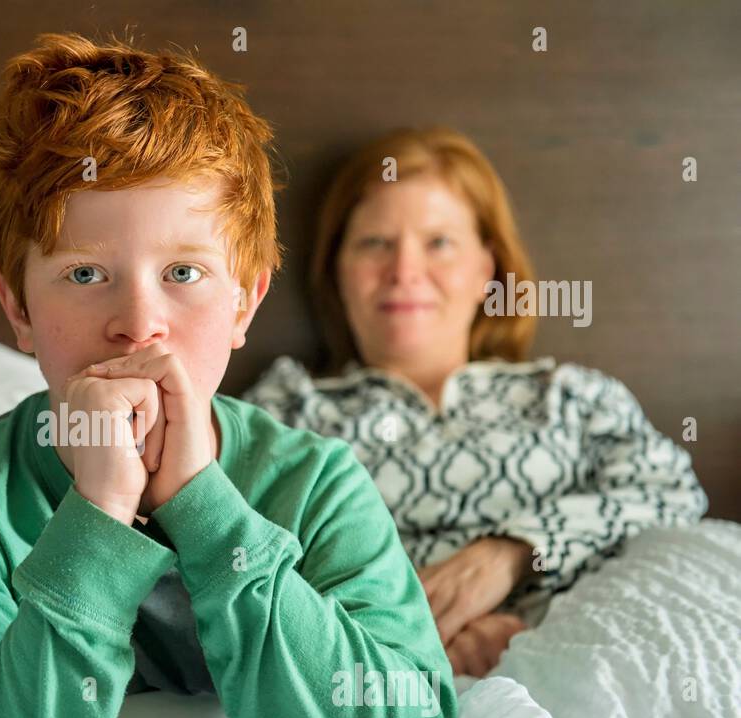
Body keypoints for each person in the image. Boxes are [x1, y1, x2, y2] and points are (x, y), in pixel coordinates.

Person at [0, 33, 457, 718]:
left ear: (244, 303)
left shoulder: (318, 484)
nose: (139, 324)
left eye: (184, 273)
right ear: (18, 308)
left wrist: (199, 500)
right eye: (85, 274)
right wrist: (97, 517)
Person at [245, 127, 708, 677]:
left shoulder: (572, 398)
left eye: (439, 243)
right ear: (336, 271)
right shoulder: (287, 413)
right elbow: (240, 564)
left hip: (587, 662)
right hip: (371, 685)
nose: (405, 271)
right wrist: (422, 627)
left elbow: (675, 497)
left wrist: (511, 552)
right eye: (374, 243)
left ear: (486, 270)